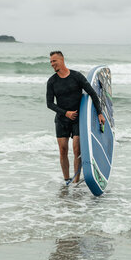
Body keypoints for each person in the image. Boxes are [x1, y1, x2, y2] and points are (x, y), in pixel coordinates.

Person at [46, 51, 105, 185]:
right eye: (50, 62)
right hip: (62, 119)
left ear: (62, 60)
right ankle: (67, 180)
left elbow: (92, 93)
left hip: (78, 119)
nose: (52, 64)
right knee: (63, 150)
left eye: (54, 61)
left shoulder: (76, 76)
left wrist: (100, 113)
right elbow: (49, 104)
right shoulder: (52, 81)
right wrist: (65, 113)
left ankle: (76, 182)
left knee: (77, 148)